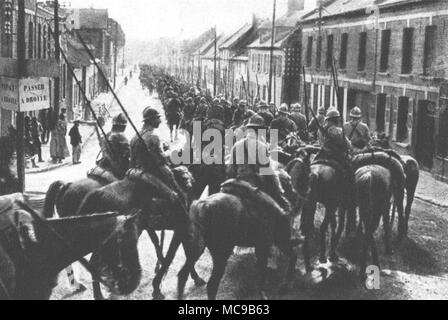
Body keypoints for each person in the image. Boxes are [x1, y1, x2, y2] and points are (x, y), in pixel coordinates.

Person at [227, 115, 291, 214]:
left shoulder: (236, 145)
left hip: (238, 183)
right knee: (283, 209)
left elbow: (230, 170)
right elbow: (268, 173)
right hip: (255, 185)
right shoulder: (261, 146)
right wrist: (279, 192)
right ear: (260, 131)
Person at [128, 107, 186, 204]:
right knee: (178, 192)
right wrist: (171, 151)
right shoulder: (154, 136)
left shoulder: (135, 136)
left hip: (136, 170)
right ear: (151, 120)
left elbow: (132, 159)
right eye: (157, 118)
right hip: (153, 171)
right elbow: (161, 158)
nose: (160, 120)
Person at [94, 113, 130, 180]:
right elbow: (129, 152)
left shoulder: (107, 134)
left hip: (104, 162)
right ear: (124, 126)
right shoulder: (121, 136)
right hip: (116, 167)